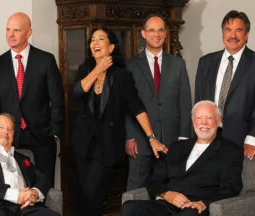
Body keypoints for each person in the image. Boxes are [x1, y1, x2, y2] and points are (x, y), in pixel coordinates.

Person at [70, 26, 167, 216]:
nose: (95, 43)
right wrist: (98, 69)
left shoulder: (121, 75)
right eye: (92, 40)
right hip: (83, 144)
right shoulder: (85, 69)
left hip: (105, 145)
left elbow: (137, 108)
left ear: (112, 47)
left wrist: (152, 137)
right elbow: (76, 92)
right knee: (85, 196)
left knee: (92, 193)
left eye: (101, 39)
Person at [121, 100, 243, 216]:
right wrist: (166, 194)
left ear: (218, 121)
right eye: (199, 118)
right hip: (167, 204)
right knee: (130, 207)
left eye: (209, 118)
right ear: (193, 120)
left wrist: (204, 203)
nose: (204, 123)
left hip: (194, 207)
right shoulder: (177, 147)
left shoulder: (230, 150)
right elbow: (155, 179)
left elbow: (231, 188)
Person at [0, 12, 64, 188]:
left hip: (42, 136)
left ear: (28, 33)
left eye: (16, 30)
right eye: (7, 29)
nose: (10, 34)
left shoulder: (45, 60)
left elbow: (57, 99)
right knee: (11, 185)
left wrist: (55, 131)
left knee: (44, 186)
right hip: (8, 136)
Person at [124, 14, 192, 191]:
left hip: (172, 141)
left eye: (161, 30)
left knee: (171, 190)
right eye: (152, 30)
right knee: (136, 190)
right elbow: (126, 105)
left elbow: (185, 103)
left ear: (166, 33)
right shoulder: (130, 65)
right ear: (143, 33)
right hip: (140, 141)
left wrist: (184, 138)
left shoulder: (178, 64)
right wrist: (130, 136)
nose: (157, 34)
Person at [194, 10, 255, 155]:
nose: (233, 36)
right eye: (228, 30)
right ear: (222, 33)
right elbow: (199, 101)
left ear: (246, 35)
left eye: (238, 31)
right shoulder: (205, 62)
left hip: (241, 140)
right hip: (207, 136)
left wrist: (252, 138)